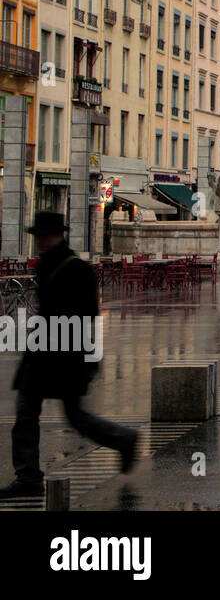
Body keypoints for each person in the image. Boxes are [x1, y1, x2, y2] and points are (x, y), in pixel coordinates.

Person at [1, 213, 139, 499]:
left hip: (65, 355)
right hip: (44, 354)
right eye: (37, 235)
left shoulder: (75, 268)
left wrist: (86, 356)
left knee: (73, 417)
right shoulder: (47, 264)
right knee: (28, 413)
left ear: (58, 235)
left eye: (44, 235)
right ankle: (28, 477)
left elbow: (88, 314)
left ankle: (125, 439)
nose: (39, 240)